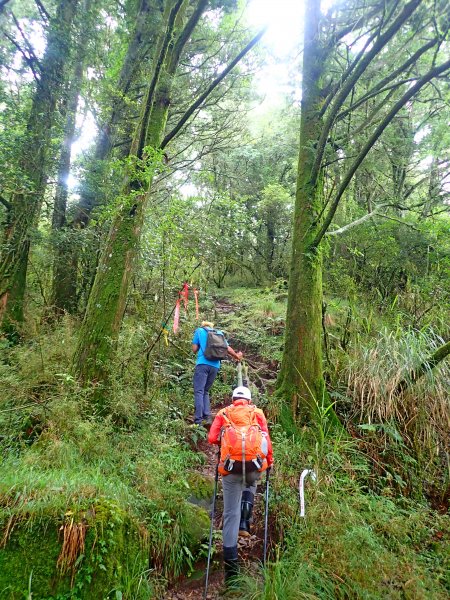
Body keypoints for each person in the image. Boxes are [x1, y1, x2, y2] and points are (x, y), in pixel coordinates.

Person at [207, 386, 273, 586]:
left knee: (229, 515)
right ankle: (246, 520)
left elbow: (211, 438)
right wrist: (269, 462)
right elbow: (267, 442)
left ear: (233, 398)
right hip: (253, 468)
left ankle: (232, 573)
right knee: (252, 481)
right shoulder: (257, 413)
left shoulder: (223, 413)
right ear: (249, 399)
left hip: (230, 470)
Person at [192, 320, 243, 426]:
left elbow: (194, 349)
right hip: (215, 365)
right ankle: (208, 417)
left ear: (203, 325)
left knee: (199, 392)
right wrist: (237, 356)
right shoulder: (219, 333)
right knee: (205, 391)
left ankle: (198, 421)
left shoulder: (199, 331)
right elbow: (227, 348)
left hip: (202, 364)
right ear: (212, 326)